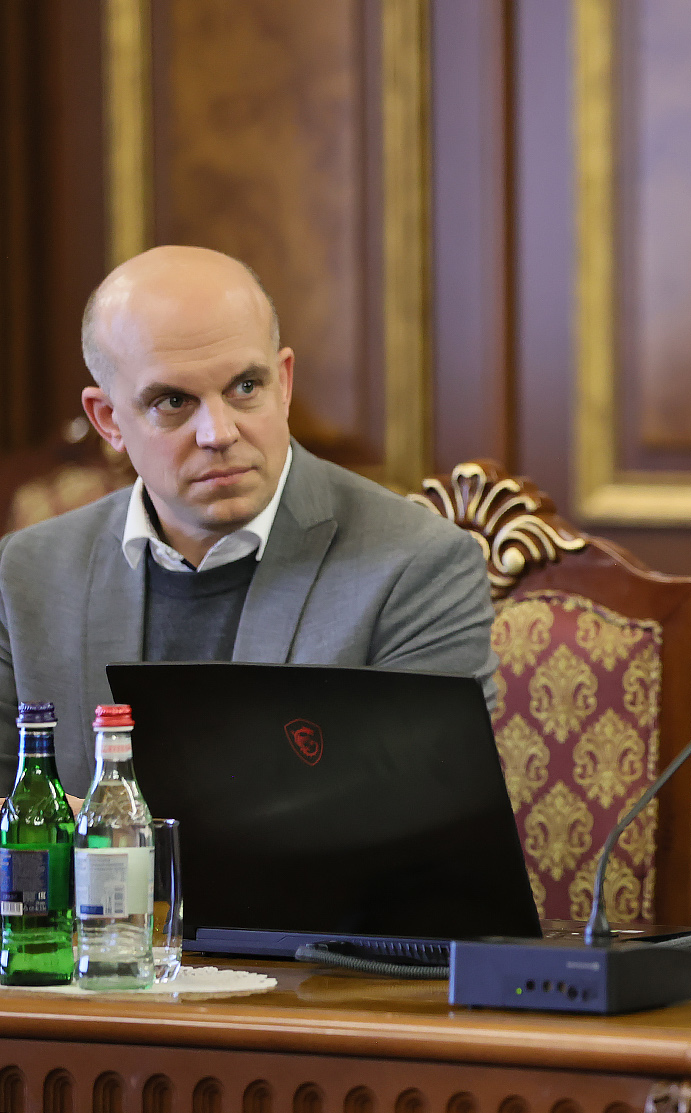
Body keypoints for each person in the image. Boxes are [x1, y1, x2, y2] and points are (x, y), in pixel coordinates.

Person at [0, 245, 495, 797]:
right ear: (109, 420)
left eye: (245, 388)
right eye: (173, 402)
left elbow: (430, 816)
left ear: (284, 384)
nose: (219, 433)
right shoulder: (26, 574)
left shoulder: (419, 564)